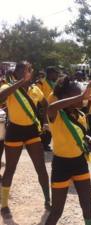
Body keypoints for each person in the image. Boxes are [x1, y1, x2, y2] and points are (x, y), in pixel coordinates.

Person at [45, 76, 91, 225]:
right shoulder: (56, 114)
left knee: (87, 205)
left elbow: (79, 133)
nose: (83, 98)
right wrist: (81, 96)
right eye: (77, 94)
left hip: (79, 163)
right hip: (61, 165)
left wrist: (89, 139)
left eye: (82, 94)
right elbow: (50, 108)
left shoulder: (80, 115)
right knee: (57, 211)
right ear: (65, 97)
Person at [0, 62, 50, 217]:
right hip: (14, 130)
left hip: (32, 132)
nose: (26, 73)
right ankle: (4, 206)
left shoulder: (36, 89)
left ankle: (47, 200)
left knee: (41, 167)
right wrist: (21, 81)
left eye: (28, 70)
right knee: (10, 169)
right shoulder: (7, 87)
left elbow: (45, 104)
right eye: (22, 71)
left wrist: (46, 120)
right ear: (16, 73)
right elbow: (1, 97)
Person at [37, 66, 61, 152]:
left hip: (53, 108)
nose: (57, 76)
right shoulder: (41, 82)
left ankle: (46, 144)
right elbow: (37, 96)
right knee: (43, 126)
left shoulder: (55, 83)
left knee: (50, 126)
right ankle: (42, 144)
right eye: (56, 74)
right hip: (43, 108)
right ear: (50, 74)